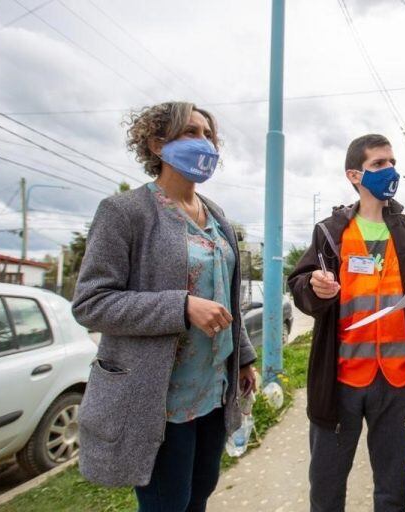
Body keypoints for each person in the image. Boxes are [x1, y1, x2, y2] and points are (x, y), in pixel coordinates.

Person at [72, 101, 257, 512]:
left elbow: (227, 296)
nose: (205, 143)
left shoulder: (217, 215)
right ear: (157, 144)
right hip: (158, 402)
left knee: (200, 495)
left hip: (212, 393)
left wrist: (243, 357)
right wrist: (181, 307)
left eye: (209, 135)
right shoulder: (125, 212)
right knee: (167, 504)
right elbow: (91, 303)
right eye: (191, 133)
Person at [288, 134, 405, 511]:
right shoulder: (330, 232)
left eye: (392, 162)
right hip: (342, 378)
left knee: (392, 493)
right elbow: (300, 287)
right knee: (327, 488)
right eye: (379, 164)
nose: (389, 170)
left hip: (399, 380)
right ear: (354, 175)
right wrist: (316, 288)